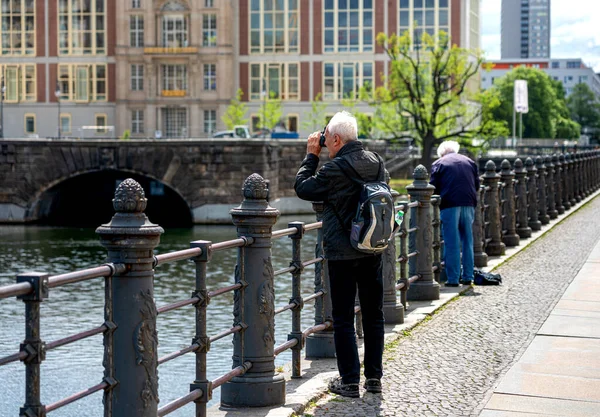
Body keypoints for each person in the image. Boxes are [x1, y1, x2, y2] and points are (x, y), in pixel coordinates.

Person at [294, 111, 384, 398]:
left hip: (342, 254)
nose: (325, 144)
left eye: (326, 140)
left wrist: (312, 155)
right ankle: (373, 379)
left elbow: (303, 188)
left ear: (335, 139)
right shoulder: (377, 162)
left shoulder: (334, 169)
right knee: (373, 314)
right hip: (371, 248)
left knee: (343, 318)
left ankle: (348, 382)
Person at [429, 140, 479, 287]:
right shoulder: (469, 161)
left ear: (442, 153)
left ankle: (453, 279)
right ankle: (468, 276)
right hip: (468, 202)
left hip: (450, 203)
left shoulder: (439, 163)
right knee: (467, 240)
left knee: (452, 242)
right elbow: (477, 184)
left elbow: (432, 188)